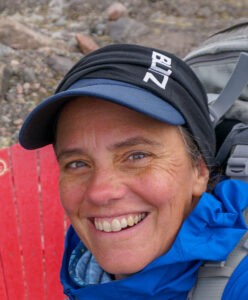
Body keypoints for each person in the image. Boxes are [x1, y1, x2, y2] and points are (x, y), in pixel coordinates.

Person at [19, 44, 248, 299]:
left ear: (199, 170)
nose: (100, 192)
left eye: (137, 156)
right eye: (77, 163)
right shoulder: (84, 274)